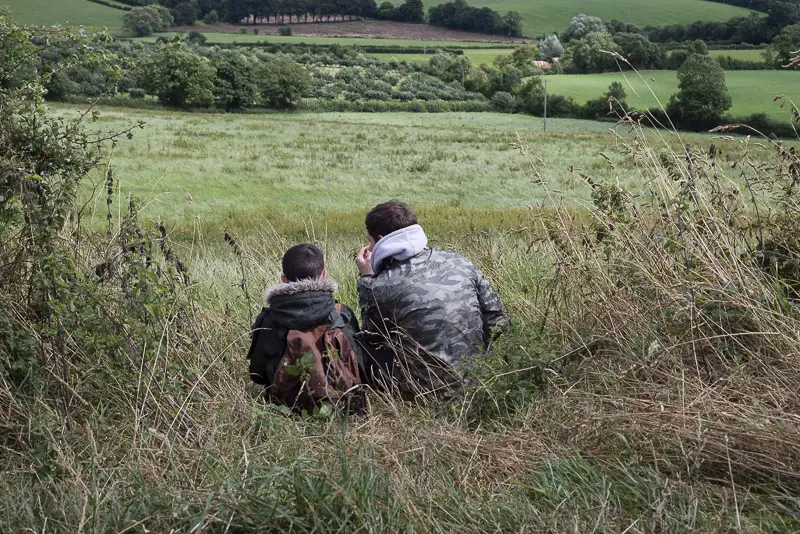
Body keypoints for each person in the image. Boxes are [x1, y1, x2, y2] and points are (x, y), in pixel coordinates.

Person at [355, 201, 507, 390]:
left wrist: (367, 278)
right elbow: (496, 319)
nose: (369, 248)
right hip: (477, 379)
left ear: (380, 239)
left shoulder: (381, 285)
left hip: (422, 390)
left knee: (355, 343)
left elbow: (372, 337)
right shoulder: (460, 262)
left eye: (370, 242)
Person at [247, 243, 361, 409]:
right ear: (323, 275)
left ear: (283, 279)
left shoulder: (269, 319)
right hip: (343, 403)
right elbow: (360, 364)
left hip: (285, 407)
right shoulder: (342, 314)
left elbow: (257, 374)